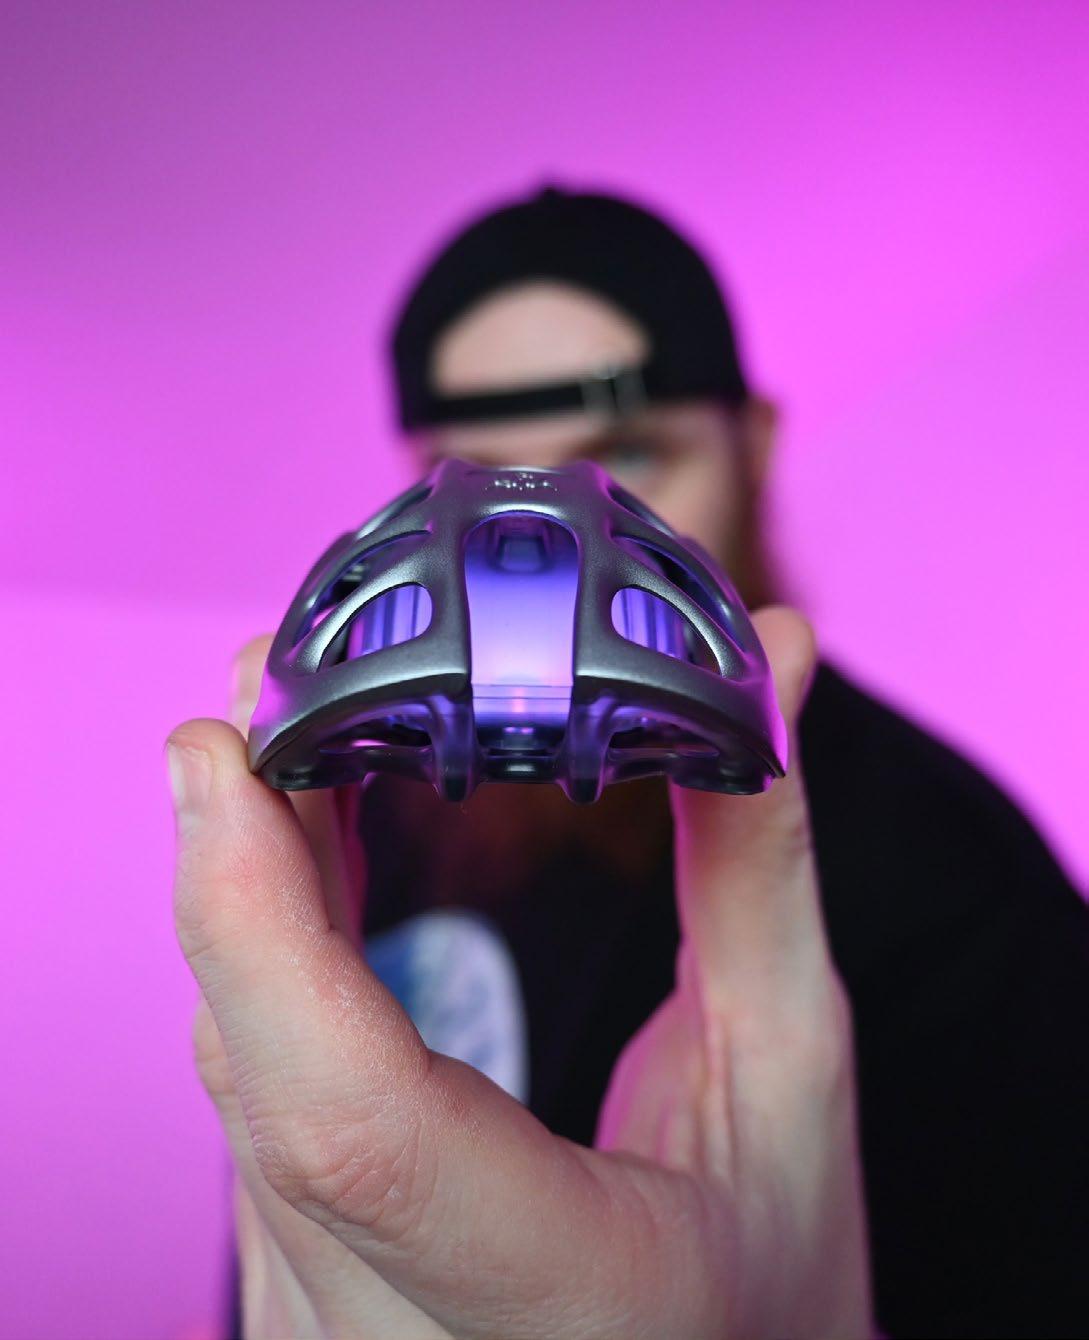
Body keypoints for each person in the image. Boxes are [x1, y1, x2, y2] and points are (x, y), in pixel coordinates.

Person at [164, 185, 1089, 1339]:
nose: (540, 555)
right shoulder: (369, 813)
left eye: (629, 454)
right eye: (477, 477)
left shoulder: (947, 871)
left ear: (754, 448)